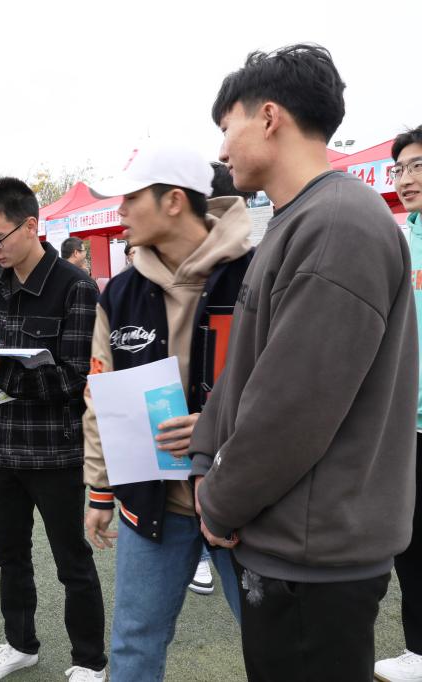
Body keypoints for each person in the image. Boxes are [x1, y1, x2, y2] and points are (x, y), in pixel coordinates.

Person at [191, 44, 417, 682]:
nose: (222, 149)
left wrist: (219, 500)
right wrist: (207, 458)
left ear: (269, 117)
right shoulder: (303, 218)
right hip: (292, 540)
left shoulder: (338, 223)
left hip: (313, 554)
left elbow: (292, 409)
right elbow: (247, 374)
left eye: (227, 126)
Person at [81, 145, 251, 681]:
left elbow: (293, 391)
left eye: (131, 198)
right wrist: (99, 489)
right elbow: (100, 398)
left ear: (174, 201)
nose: (120, 211)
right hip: (151, 504)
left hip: (246, 502)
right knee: (133, 643)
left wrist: (218, 428)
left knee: (273, 642)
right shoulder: (120, 293)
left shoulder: (258, 275)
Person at [0, 178, 106, 682]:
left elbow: (76, 377)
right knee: (9, 555)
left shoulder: (75, 286)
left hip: (53, 449)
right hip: (0, 441)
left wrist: (2, 374)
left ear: (30, 226)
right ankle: (20, 644)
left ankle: (89, 660)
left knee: (72, 560)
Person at [186, 161, 259, 598]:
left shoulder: (258, 267)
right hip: (183, 452)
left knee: (256, 609)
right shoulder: (147, 279)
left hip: (231, 443)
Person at [375, 125, 422, 682]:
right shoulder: (397, 241)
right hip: (403, 422)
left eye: (417, 166)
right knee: (409, 540)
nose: (406, 179)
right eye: (400, 169)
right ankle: (418, 649)